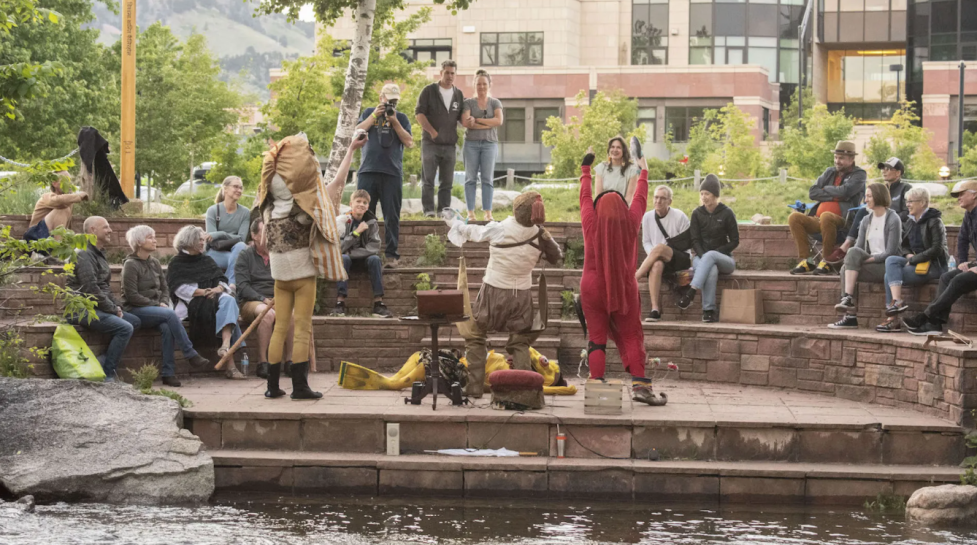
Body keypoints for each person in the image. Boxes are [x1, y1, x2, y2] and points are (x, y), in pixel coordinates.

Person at [257, 132, 366, 399]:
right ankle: (300, 387)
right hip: (303, 270)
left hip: (279, 273)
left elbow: (263, 239)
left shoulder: (269, 208)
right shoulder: (308, 206)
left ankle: (272, 387)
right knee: (302, 327)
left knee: (280, 326)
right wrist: (350, 148)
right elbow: (336, 184)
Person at [445, 192, 562, 398]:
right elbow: (556, 257)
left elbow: (473, 232)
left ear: (516, 211)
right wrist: (545, 234)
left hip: (493, 293)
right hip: (522, 298)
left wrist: (456, 224)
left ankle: (474, 387)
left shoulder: (499, 229)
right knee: (519, 342)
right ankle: (524, 393)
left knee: (475, 336)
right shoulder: (540, 235)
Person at [578, 148, 666, 406]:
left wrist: (586, 170)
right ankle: (640, 388)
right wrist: (644, 170)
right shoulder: (631, 221)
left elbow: (585, 198)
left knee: (596, 338)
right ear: (622, 209)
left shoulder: (590, 221)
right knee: (630, 336)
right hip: (624, 287)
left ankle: (597, 390)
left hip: (592, 287)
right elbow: (640, 196)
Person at [122, 225, 210, 386]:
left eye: (154, 236)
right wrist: (157, 304)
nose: (155, 240)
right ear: (139, 242)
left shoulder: (154, 262)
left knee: (167, 327)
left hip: (156, 309)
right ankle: (190, 353)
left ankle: (168, 373)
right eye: (150, 237)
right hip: (135, 309)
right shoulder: (130, 265)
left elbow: (165, 287)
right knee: (170, 315)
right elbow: (132, 296)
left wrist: (162, 301)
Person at [236, 218, 318, 380]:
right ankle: (263, 363)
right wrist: (262, 299)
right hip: (252, 301)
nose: (272, 237)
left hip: (279, 298)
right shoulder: (245, 256)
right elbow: (242, 286)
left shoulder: (279, 255)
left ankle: (289, 361)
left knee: (293, 315)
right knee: (267, 315)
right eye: (267, 233)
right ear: (255, 236)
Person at [65, 216, 141, 382]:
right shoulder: (84, 254)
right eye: (106, 227)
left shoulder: (97, 253)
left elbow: (103, 287)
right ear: (93, 230)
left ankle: (103, 361)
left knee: (134, 321)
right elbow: (90, 289)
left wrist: (116, 306)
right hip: (81, 309)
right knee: (125, 328)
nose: (110, 230)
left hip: (97, 306)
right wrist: (113, 309)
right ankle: (108, 375)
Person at [166, 225, 246, 380]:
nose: (203, 243)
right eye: (200, 240)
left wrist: (217, 289)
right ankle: (231, 366)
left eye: (203, 239)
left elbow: (222, 280)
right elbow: (178, 288)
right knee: (227, 313)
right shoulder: (176, 263)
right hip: (190, 304)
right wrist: (204, 292)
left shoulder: (207, 260)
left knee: (229, 301)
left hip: (213, 297)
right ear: (189, 241)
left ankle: (225, 345)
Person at [903, 180, 977, 336]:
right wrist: (963, 261)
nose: (958, 198)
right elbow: (962, 240)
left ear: (974, 194)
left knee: (958, 280)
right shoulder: (968, 215)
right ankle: (935, 324)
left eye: (961, 194)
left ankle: (925, 316)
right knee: (946, 277)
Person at [827, 183, 902, 329]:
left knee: (847, 266)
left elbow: (891, 252)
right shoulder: (866, 220)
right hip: (870, 262)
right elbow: (858, 248)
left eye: (868, 196)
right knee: (848, 261)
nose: (865, 200)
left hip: (887, 266)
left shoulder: (893, 218)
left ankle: (848, 306)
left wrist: (868, 260)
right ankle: (849, 312)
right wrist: (863, 259)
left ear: (878, 196)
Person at [355, 82, 413, 268]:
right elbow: (356, 133)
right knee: (363, 214)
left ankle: (391, 256)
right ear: (381, 98)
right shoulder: (368, 113)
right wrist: (374, 116)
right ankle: (364, 253)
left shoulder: (401, 118)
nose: (391, 105)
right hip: (368, 170)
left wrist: (394, 120)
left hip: (392, 172)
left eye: (394, 102)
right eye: (389, 101)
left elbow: (409, 142)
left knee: (392, 215)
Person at [788, 140, 866, 276]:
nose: (837, 161)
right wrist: (836, 194)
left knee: (827, 216)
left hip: (843, 221)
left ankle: (827, 260)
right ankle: (808, 260)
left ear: (851, 159)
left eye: (841, 158)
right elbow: (813, 192)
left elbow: (846, 192)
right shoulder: (829, 172)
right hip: (818, 219)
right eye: (836, 157)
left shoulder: (859, 174)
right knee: (794, 217)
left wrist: (825, 190)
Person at [877, 187, 948, 333]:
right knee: (891, 260)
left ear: (922, 203)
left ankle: (892, 319)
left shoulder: (934, 221)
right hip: (916, 262)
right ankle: (896, 302)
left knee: (887, 276)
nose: (907, 204)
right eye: (906, 201)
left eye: (911, 201)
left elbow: (937, 249)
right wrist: (909, 256)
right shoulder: (910, 222)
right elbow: (904, 246)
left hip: (934, 266)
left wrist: (914, 259)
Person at [677, 175, 739, 323]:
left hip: (725, 259)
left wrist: (716, 253)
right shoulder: (697, 213)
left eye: (707, 194)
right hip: (701, 257)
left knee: (711, 256)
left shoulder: (727, 213)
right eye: (702, 194)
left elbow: (735, 241)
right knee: (711, 269)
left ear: (715, 195)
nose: (704, 197)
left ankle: (691, 291)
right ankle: (709, 311)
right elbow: (695, 240)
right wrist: (705, 257)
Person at [830, 156, 911, 263]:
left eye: (888, 169)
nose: (884, 171)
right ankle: (848, 246)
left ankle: (847, 248)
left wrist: (886, 216)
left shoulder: (906, 188)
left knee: (864, 212)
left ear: (898, 173)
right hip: (876, 223)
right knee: (863, 211)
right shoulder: (881, 189)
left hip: (897, 226)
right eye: (883, 169)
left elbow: (908, 212)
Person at [332, 189, 393, 318]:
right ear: (351, 204)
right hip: (347, 259)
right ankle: (340, 302)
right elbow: (338, 248)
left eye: (364, 202)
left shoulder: (371, 223)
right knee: (343, 258)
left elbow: (374, 247)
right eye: (358, 201)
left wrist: (350, 252)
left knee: (375, 259)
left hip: (365, 259)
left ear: (368, 206)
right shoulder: (342, 221)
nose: (361, 204)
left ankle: (378, 304)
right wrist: (356, 233)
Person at [636, 185, 691, 322]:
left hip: (680, 257)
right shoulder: (647, 217)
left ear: (669, 201)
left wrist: (657, 251)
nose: (658, 201)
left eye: (662, 198)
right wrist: (654, 255)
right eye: (656, 197)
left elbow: (688, 243)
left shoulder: (680, 216)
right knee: (656, 265)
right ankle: (655, 310)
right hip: (658, 257)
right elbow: (646, 242)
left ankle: (634, 278)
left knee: (660, 247)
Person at [415, 59, 464, 216]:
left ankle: (444, 211)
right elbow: (419, 114)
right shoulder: (429, 91)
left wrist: (468, 121)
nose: (450, 76)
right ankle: (428, 211)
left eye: (452, 73)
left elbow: (461, 118)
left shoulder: (458, 94)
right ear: (441, 73)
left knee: (447, 182)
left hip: (450, 145)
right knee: (428, 180)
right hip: (430, 143)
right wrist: (432, 131)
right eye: (447, 73)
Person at [461, 69, 504, 222]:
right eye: (478, 84)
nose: (481, 87)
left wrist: (477, 120)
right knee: (470, 179)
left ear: (489, 85)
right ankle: (470, 213)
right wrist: (488, 123)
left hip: (489, 144)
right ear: (474, 85)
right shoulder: (468, 103)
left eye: (484, 84)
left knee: (487, 179)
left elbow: (498, 121)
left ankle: (488, 213)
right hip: (471, 144)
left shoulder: (495, 102)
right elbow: (466, 123)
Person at [205, 176, 250, 288]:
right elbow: (211, 238)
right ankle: (231, 284)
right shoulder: (213, 210)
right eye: (235, 187)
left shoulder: (245, 212)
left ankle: (229, 285)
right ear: (225, 188)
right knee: (239, 262)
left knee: (240, 246)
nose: (239, 190)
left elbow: (242, 238)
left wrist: (221, 233)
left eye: (241, 188)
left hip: (237, 251)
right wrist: (228, 236)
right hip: (215, 253)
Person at [24, 171, 88, 242]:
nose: (70, 184)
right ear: (54, 183)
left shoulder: (67, 202)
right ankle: (58, 248)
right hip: (35, 238)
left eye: (70, 181)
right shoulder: (47, 197)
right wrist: (78, 196)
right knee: (63, 209)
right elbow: (57, 200)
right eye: (66, 181)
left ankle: (60, 246)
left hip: (49, 238)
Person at [594, 136, 640, 205]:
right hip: (603, 209)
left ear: (623, 151)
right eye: (612, 147)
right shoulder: (601, 168)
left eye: (618, 147)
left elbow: (628, 198)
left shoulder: (632, 170)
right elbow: (598, 197)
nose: (615, 150)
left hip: (623, 210)